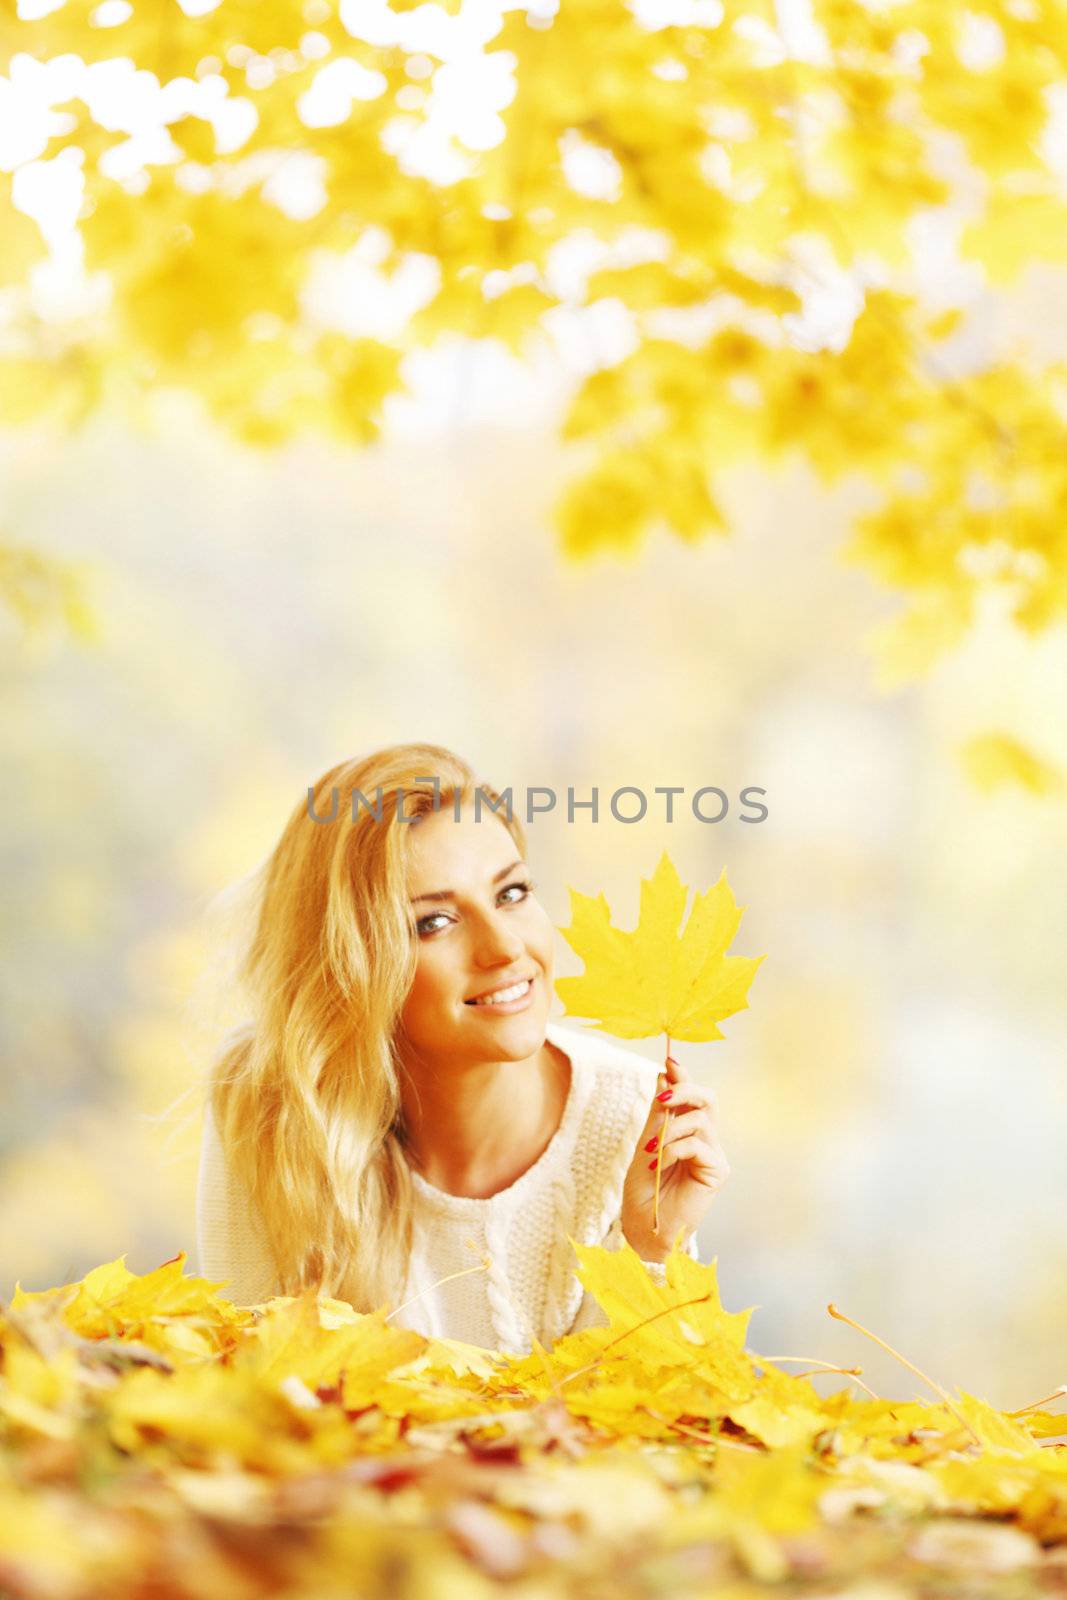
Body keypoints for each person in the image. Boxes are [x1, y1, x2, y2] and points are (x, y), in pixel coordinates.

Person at [196, 742, 730, 1354]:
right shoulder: (274, 1099)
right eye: (434, 923)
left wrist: (648, 1250)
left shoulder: (640, 1120)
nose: (504, 948)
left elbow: (635, 1430)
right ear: (350, 967)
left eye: (511, 894)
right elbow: (248, 1391)